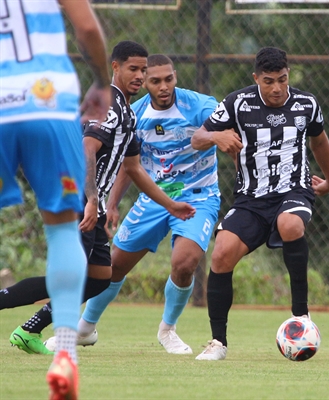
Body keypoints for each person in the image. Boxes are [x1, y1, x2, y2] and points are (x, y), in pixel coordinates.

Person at [2, 41, 196, 355]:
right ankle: (27, 328)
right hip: (77, 199)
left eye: (143, 70)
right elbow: (87, 148)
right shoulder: (108, 103)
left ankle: (28, 331)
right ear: (115, 67)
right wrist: (91, 200)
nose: (139, 75)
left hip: (92, 202)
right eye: (133, 68)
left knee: (98, 279)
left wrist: (170, 204)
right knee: (72, 276)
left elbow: (133, 168)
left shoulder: (128, 112)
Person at [191, 46, 329, 361]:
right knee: (221, 254)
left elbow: (319, 140)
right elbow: (197, 138)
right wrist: (216, 138)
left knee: (290, 223)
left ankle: (302, 317)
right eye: (269, 81)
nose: (276, 88)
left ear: (289, 76)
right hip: (251, 199)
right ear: (256, 77)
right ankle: (218, 343)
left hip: (293, 191)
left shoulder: (306, 104)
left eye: (282, 80)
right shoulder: (237, 103)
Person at [72, 54, 221, 355]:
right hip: (153, 200)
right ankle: (86, 329)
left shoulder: (200, 105)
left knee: (184, 263)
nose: (164, 86)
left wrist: (223, 134)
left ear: (176, 76)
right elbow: (130, 166)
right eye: (155, 80)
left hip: (199, 197)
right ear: (145, 82)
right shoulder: (134, 114)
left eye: (169, 79)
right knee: (113, 267)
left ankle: (168, 330)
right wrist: (112, 204)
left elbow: (227, 121)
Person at [0, 0, 111, 398]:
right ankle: (64, 351)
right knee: (63, 231)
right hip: (47, 98)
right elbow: (87, 30)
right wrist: (100, 81)